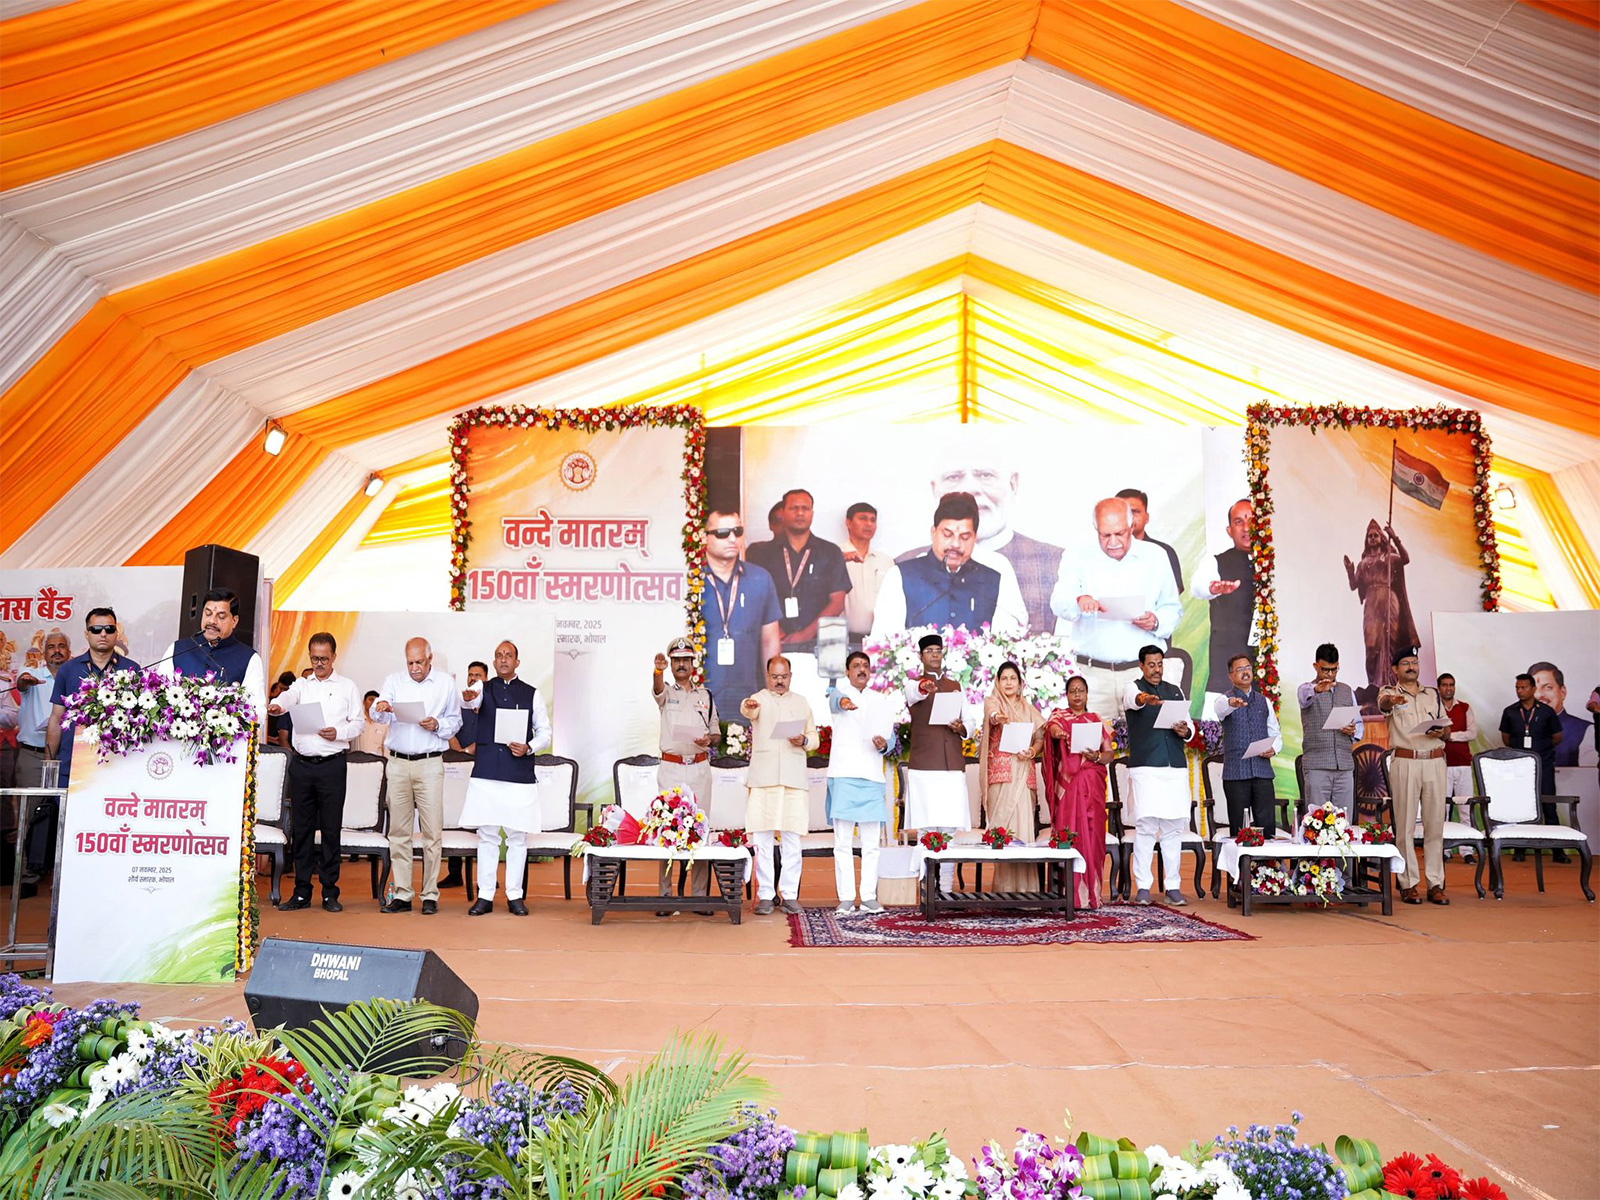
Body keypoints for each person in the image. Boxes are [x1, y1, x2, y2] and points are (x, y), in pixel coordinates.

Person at [1050, 498, 1182, 718]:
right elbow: (1058, 602)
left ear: (1132, 527)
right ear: (1096, 529)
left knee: (1150, 746)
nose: (1113, 542)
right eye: (1105, 535)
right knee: (1094, 748)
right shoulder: (1077, 555)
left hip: (1144, 675)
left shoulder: (1156, 556)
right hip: (1093, 677)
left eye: (1120, 533)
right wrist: (1079, 600)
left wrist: (1156, 621)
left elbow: (1173, 610)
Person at [265, 633, 366, 913]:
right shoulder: (302, 685)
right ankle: (301, 892)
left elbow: (359, 724)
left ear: (334, 657)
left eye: (324, 658)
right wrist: (277, 705)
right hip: (302, 765)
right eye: (314, 658)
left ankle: (330, 892)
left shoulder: (347, 687)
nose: (319, 663)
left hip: (332, 764)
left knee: (331, 830)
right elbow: (287, 697)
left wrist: (339, 732)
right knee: (302, 830)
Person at [370, 638, 462, 915]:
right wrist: (382, 707)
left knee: (432, 832)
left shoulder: (446, 683)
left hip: (430, 763)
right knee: (399, 832)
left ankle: (430, 894)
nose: (414, 668)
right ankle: (402, 894)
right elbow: (377, 713)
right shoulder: (394, 680)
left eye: (419, 662)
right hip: (397, 763)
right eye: (410, 663)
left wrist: (438, 725)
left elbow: (456, 720)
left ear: (430, 658)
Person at [461, 641, 551, 916]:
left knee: (517, 837)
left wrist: (529, 747)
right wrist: (468, 697)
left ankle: (515, 896)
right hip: (488, 771)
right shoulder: (482, 687)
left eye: (508, 655)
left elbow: (545, 732)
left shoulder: (532, 694)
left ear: (517, 662)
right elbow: (471, 699)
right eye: (498, 655)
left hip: (518, 772)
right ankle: (485, 896)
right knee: (487, 836)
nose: (503, 660)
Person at [930, 458, 1063, 635]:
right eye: (953, 477)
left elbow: (1015, 623)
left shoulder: (997, 565)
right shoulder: (910, 567)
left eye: (986, 475)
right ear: (935, 530)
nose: (972, 487)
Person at [870, 492, 1026, 640]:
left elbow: (1007, 641)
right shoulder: (901, 576)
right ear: (933, 532)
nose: (955, 544)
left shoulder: (993, 578)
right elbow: (882, 643)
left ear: (974, 538)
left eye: (964, 537)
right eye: (947, 534)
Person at [740, 657, 818, 915]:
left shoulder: (801, 702)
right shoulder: (758, 698)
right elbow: (747, 710)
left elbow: (814, 737)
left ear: (790, 676)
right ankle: (765, 895)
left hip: (794, 780)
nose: (779, 680)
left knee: (792, 839)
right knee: (762, 838)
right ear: (768, 676)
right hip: (764, 779)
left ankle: (790, 894)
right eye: (775, 676)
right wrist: (749, 705)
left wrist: (803, 739)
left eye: (784, 676)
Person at [1122, 645, 1194, 907]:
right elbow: (1133, 700)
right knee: (1146, 828)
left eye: (1159, 664)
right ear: (1142, 666)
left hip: (1174, 768)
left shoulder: (1174, 690)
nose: (1156, 669)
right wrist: (1144, 699)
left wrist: (1185, 730)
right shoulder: (1132, 687)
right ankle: (1143, 887)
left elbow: (1190, 728)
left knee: (1174, 829)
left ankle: (1172, 887)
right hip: (1147, 768)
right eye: (1151, 664)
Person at [901, 633, 972, 893]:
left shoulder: (955, 685)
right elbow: (914, 694)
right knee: (927, 831)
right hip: (925, 767)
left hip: (951, 765)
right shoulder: (913, 685)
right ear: (921, 656)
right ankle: (927, 888)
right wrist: (924, 687)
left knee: (949, 832)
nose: (934, 655)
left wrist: (961, 727)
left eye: (938, 650)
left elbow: (971, 722)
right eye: (929, 651)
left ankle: (945, 889)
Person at [1380, 646, 1450, 905]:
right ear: (1396, 669)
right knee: (1405, 826)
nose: (1411, 666)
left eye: (1415, 662)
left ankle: (1435, 883)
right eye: (1406, 663)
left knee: (1434, 826)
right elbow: (1384, 704)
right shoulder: (1388, 692)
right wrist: (1394, 701)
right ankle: (1408, 884)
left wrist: (1439, 733)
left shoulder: (1433, 694)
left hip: (1434, 761)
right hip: (1406, 762)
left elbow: (1448, 732)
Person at [826, 651, 893, 915]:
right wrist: (844, 701)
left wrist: (884, 744)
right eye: (856, 666)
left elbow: (890, 739)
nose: (862, 670)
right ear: (847, 671)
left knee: (871, 843)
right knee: (842, 842)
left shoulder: (880, 700)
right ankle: (845, 897)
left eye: (865, 665)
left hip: (872, 777)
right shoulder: (837, 693)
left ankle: (867, 896)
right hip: (843, 774)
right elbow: (836, 702)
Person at [653, 637, 718, 909]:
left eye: (685, 660)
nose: (681, 664)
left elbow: (716, 734)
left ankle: (700, 896)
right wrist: (657, 671)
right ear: (671, 665)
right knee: (668, 829)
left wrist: (709, 741)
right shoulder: (667, 692)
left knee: (699, 831)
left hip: (700, 768)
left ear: (693, 663)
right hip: (671, 768)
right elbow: (656, 690)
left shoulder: (706, 696)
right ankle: (665, 897)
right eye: (676, 660)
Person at [700, 508, 783, 723]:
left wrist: (774, 696)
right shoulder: (690, 581)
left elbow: (770, 642)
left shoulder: (760, 579)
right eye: (722, 533)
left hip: (747, 700)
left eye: (737, 531)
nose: (732, 539)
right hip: (698, 702)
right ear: (704, 537)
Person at [46, 608, 141, 792]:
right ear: (87, 634)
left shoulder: (132, 670)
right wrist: (50, 764)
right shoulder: (68, 670)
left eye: (109, 629)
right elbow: (56, 718)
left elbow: (139, 720)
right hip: (72, 767)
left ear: (117, 633)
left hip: (118, 767)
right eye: (96, 629)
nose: (103, 634)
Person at [1042, 675, 1111, 908]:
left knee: (1093, 838)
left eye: (1081, 691)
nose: (1077, 695)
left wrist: (1098, 757)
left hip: (1093, 788)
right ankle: (1070, 895)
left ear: (1087, 694)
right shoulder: (1060, 717)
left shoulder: (1095, 720)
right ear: (1067, 695)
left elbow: (1109, 753)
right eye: (1073, 691)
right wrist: (1058, 734)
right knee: (1071, 837)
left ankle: (1092, 895)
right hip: (1069, 790)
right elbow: (1051, 728)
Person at [979, 661, 1045, 892]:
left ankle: (1028, 892)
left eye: (1012, 678)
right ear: (998, 682)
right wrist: (998, 718)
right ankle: (1003, 892)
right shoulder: (992, 701)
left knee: (1023, 830)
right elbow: (992, 714)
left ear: (1019, 683)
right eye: (1004, 678)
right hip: (1001, 775)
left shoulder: (1028, 708)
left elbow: (1040, 737)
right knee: (1004, 833)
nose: (1008, 682)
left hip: (1023, 774)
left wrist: (1033, 751)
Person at [163, 588, 267, 721]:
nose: (212, 621)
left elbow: (257, 711)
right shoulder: (177, 649)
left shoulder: (249, 658)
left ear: (234, 621)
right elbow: (159, 693)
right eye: (208, 614)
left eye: (221, 616)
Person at [1346, 520, 1419, 705]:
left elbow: (1406, 559)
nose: (1372, 538)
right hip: (1371, 603)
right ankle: (1374, 684)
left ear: (1381, 537)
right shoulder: (1363, 563)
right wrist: (1349, 570)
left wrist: (1395, 537)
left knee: (1390, 643)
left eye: (1375, 535)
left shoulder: (1390, 557)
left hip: (1389, 601)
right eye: (1369, 536)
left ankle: (1390, 684)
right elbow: (1355, 585)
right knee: (1371, 646)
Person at [1191, 499, 1258, 698]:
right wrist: (1213, 587)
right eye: (1239, 522)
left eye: (1251, 520)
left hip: (1265, 664)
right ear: (1229, 530)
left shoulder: (1275, 562)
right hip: (1227, 661)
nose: (1246, 528)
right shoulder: (1217, 562)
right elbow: (1198, 587)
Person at [1213, 654, 1281, 839]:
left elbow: (1275, 733)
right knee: (1239, 832)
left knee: (1266, 829)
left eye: (1248, 668)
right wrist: (1231, 703)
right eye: (1240, 669)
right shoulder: (1224, 700)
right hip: (1236, 774)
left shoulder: (1264, 701)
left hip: (1262, 773)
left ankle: (1267, 868)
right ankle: (1240, 868)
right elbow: (1220, 708)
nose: (1245, 672)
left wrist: (1273, 748)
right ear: (1230, 676)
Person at [1296, 644, 1363, 820]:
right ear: (1315, 666)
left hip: (1344, 768)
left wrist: (1352, 730)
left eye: (1334, 669)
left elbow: (1359, 725)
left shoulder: (1346, 690)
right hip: (1317, 767)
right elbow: (1305, 696)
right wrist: (1318, 689)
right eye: (1326, 669)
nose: (1330, 675)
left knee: (1343, 823)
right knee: (1317, 823)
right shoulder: (1306, 689)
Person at [1498, 673, 1564, 845]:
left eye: (1524, 687)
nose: (1520, 691)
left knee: (1548, 805)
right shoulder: (1510, 711)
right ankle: (1520, 848)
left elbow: (1557, 737)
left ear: (1533, 689)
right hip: (1519, 768)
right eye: (1517, 688)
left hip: (1544, 765)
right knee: (1520, 807)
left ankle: (1556, 849)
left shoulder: (1547, 712)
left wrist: (1541, 747)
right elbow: (1506, 738)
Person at [14, 629, 68, 789]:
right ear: (44, 653)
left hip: (66, 756)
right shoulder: (32, 674)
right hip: (33, 755)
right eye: (51, 647)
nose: (57, 651)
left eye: (61, 646)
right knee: (32, 811)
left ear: (69, 652)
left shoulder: (78, 680)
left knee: (66, 810)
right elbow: (21, 682)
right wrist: (26, 681)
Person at [1437, 672, 1478, 861]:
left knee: (1465, 809)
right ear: (1439, 687)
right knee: (1442, 810)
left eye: (1451, 685)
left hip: (1462, 765)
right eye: (1445, 685)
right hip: (1440, 765)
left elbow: (1472, 733)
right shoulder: (1434, 707)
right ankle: (1444, 850)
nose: (1448, 688)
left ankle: (1466, 851)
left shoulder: (1465, 708)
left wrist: (1450, 736)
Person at [841, 503, 891, 648]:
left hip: (878, 641)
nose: (868, 524)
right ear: (848, 523)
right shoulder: (835, 556)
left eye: (872, 520)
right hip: (843, 640)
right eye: (862, 518)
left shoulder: (886, 561)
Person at [1117, 488, 1183, 592]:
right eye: (1122, 512)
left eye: (1134, 512)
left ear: (1146, 518)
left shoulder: (1163, 551)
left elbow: (1172, 594)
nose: (1129, 517)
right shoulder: (1100, 552)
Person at [1529, 661, 1591, 768]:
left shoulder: (1587, 731)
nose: (1539, 695)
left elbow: (1591, 779)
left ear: (1562, 692)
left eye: (1547, 687)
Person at [450, 661, 489, 754]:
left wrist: (468, 750)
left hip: (483, 756)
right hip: (456, 756)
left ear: (486, 679)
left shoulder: (492, 703)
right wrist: (460, 751)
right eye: (470, 675)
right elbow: (449, 730)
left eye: (478, 675)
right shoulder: (457, 700)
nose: (473, 678)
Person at [266, 671, 296, 748]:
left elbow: (283, 739)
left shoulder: (294, 707)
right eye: (280, 688)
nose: (282, 692)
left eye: (285, 690)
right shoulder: (268, 703)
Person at [353, 691, 388, 756]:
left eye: (376, 701)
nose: (373, 703)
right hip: (356, 762)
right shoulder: (356, 721)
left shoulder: (384, 725)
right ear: (364, 702)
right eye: (370, 699)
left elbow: (386, 749)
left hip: (377, 763)